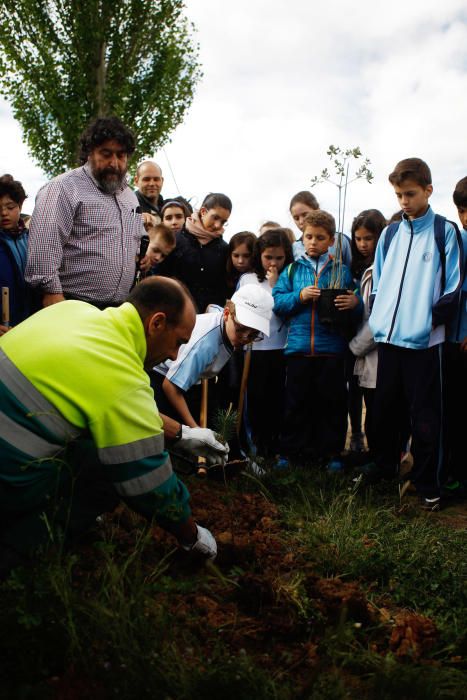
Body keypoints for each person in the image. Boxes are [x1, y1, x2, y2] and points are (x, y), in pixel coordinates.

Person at [0, 277, 228, 573]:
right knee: (109, 470)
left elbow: (108, 403)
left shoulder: (72, 312)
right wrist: (191, 535)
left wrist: (183, 434)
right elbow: (148, 482)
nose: (174, 356)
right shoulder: (121, 372)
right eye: (178, 343)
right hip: (6, 479)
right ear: (156, 323)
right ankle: (20, 556)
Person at [368, 158, 463, 510]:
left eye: (410, 194)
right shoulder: (391, 233)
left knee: (425, 417)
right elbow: (377, 281)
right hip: (389, 341)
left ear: (428, 190)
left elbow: (453, 287)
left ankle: (428, 483)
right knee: (385, 412)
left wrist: (426, 323)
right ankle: (385, 468)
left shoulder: (444, 231)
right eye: (398, 195)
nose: (404, 202)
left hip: (426, 344)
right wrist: (380, 318)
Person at [25, 117, 160, 309]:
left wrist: (139, 257)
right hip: (69, 306)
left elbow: (133, 240)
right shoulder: (63, 188)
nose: (114, 163)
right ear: (90, 153)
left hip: (118, 309)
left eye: (121, 155)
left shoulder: (129, 196)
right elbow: (43, 250)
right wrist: (52, 295)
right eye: (106, 154)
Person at [273, 210, 361, 470]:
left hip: (331, 349)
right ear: (302, 238)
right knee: (296, 403)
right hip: (299, 348)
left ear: (331, 240)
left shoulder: (341, 271)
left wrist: (354, 302)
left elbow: (356, 305)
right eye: (308, 236)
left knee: (332, 404)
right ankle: (291, 453)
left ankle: (331, 453)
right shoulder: (291, 270)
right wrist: (299, 296)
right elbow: (278, 303)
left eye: (320, 238)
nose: (313, 242)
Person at [150, 284, 273, 430]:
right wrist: (194, 429)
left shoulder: (226, 322)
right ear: (227, 314)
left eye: (253, 334)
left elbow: (213, 308)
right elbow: (170, 386)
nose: (245, 337)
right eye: (241, 329)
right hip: (161, 379)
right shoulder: (205, 344)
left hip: (186, 380)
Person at [238, 229, 293, 457]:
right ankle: (257, 444)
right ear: (259, 255)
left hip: (281, 347)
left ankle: (275, 443)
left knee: (277, 398)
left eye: (279, 258)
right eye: (268, 257)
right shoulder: (248, 279)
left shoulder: (288, 278)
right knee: (257, 398)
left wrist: (278, 283)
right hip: (255, 348)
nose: (273, 263)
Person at [347, 209, 387, 457]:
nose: (362, 244)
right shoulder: (360, 268)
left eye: (368, 238)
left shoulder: (381, 270)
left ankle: (382, 459)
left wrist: (355, 347)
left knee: (378, 407)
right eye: (358, 238)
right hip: (364, 347)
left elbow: (377, 318)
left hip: (372, 348)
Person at [154, 193, 231, 312]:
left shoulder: (225, 249)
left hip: (209, 321)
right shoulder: (175, 240)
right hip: (175, 313)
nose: (218, 225)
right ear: (203, 211)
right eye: (215, 217)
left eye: (223, 221)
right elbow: (159, 276)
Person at [443, 176, 467, 496]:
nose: (466, 217)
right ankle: (457, 473)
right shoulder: (457, 240)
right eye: (463, 210)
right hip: (451, 341)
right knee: (455, 410)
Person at [0, 175, 31, 332]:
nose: (4, 213)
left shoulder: (32, 239)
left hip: (31, 325)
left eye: (10, 207)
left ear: (20, 205)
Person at [289, 191, 352, 267]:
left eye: (305, 214)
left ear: (318, 210)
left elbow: (351, 269)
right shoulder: (295, 247)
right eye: (296, 218)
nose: (301, 221)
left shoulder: (340, 240)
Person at [225, 231, 256, 297]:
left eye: (246, 256)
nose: (240, 261)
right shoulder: (224, 274)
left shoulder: (260, 278)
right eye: (236, 256)